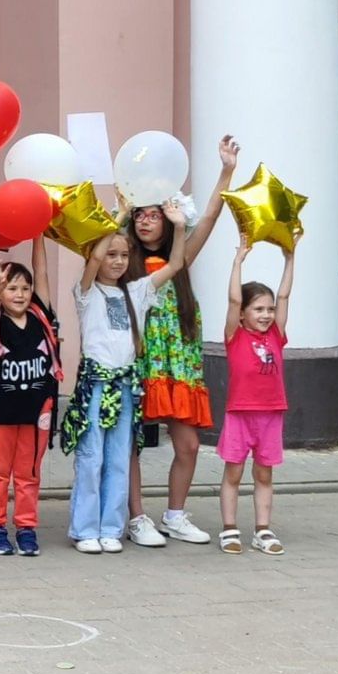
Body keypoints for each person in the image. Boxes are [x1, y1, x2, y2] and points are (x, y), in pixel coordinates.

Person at [124, 135, 241, 548]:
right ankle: (136, 517)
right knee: (130, 442)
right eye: (140, 215)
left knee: (188, 442)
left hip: (178, 359)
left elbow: (209, 217)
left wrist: (226, 170)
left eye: (153, 214)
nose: (145, 221)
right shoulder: (122, 258)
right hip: (139, 357)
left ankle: (175, 514)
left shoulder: (181, 254)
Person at [64, 215, 184, 553]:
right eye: (110, 254)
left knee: (119, 457)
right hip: (95, 385)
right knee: (91, 457)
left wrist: (177, 225)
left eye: (124, 255)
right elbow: (94, 258)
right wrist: (117, 217)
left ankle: (111, 528)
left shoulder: (138, 291)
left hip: (126, 387)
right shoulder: (85, 291)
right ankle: (85, 528)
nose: (117, 261)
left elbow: (176, 263)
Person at [218, 228, 298, 554]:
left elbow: (284, 297)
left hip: (271, 414)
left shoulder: (276, 336)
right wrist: (238, 259)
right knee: (234, 473)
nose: (266, 315)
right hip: (240, 414)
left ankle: (262, 529)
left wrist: (290, 257)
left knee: (264, 474)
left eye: (268, 310)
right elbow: (234, 297)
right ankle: (229, 528)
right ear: (242, 315)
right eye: (258, 309)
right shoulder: (235, 336)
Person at [0, 241, 59, 557]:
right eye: (13, 288)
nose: (21, 293)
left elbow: (41, 272)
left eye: (24, 288)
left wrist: (38, 235)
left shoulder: (40, 315)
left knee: (29, 475)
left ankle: (26, 528)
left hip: (36, 415)